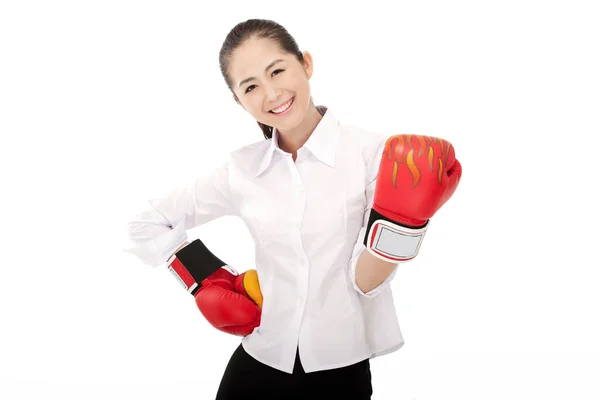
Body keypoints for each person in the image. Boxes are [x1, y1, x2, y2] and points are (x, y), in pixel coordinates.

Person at [124, 18, 462, 399]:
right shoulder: (241, 170)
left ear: (306, 64)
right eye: (251, 87)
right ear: (239, 101)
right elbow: (147, 223)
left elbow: (365, 283)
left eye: (277, 71)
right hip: (257, 365)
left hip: (339, 373)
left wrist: (404, 223)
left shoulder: (374, 155)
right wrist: (206, 279)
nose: (271, 93)